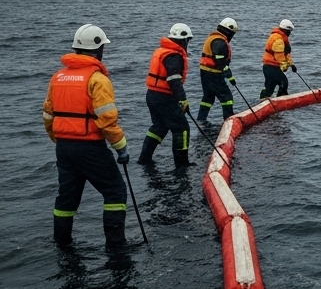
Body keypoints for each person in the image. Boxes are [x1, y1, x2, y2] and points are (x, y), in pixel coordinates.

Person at [43, 25, 130, 247]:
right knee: (115, 192)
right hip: (90, 147)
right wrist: (120, 147)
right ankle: (116, 247)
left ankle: (62, 244)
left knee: (66, 198)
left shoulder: (58, 77)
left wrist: (60, 139)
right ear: (99, 49)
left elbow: (48, 115)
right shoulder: (97, 79)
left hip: (64, 147)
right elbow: (107, 120)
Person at [138, 23, 193, 166]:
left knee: (159, 126)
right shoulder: (174, 55)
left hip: (152, 94)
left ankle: (144, 158)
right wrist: (182, 99)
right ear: (184, 40)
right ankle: (181, 164)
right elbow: (173, 79)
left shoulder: (161, 51)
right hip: (164, 97)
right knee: (181, 128)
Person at [196, 17, 238, 124]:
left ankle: (201, 119)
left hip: (205, 73)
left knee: (208, 97)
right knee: (227, 97)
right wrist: (230, 77)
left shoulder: (212, 38)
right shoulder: (219, 41)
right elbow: (220, 62)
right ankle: (229, 120)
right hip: (214, 74)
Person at [260, 19, 295, 99]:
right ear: (285, 30)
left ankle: (265, 99)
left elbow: (285, 53)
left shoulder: (281, 37)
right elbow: (279, 55)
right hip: (271, 66)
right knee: (283, 82)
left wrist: (291, 64)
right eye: (289, 31)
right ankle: (281, 98)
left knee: (270, 84)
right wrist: (284, 65)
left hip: (269, 66)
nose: (289, 33)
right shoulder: (278, 38)